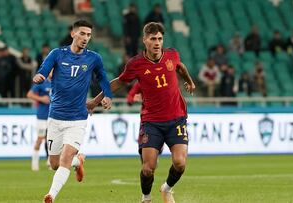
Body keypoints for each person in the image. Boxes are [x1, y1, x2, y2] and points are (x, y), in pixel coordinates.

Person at [87, 22, 196, 203]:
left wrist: (190, 82)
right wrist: (95, 101)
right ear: (144, 40)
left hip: (176, 118)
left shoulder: (172, 55)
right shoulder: (136, 64)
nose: (157, 42)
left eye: (160, 39)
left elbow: (180, 67)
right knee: (148, 169)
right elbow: (119, 82)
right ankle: (146, 198)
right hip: (151, 122)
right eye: (153, 39)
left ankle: (167, 188)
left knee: (180, 163)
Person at [33, 20, 113, 203]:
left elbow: (103, 78)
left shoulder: (94, 58)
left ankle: (51, 195)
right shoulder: (57, 54)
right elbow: (44, 70)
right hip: (55, 118)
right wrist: (40, 76)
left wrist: (107, 96)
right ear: (73, 34)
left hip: (77, 118)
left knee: (66, 156)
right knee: (54, 164)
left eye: (89, 35)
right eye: (82, 33)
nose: (86, 38)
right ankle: (79, 161)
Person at [27, 70, 52, 171]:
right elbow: (29, 94)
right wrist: (41, 99)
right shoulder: (42, 82)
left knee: (52, 140)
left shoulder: (58, 82)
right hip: (42, 116)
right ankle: (35, 163)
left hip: (53, 116)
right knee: (40, 139)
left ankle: (50, 162)